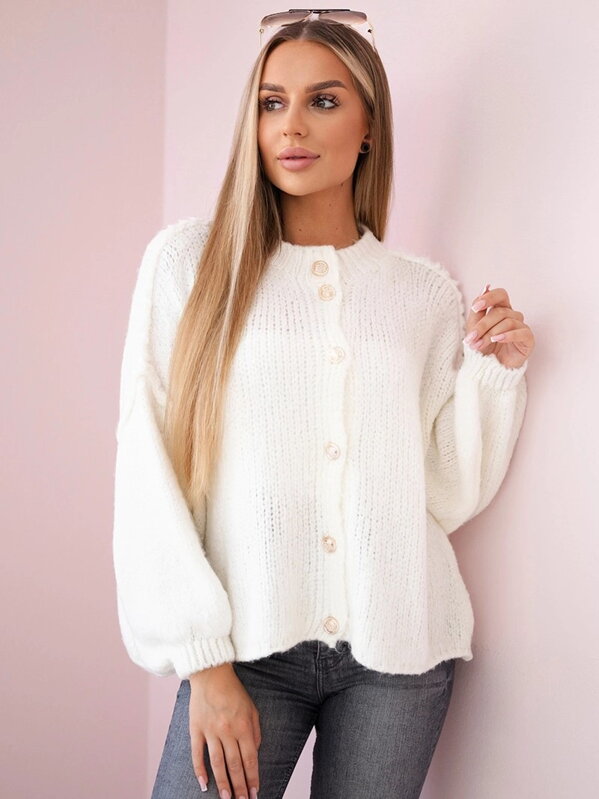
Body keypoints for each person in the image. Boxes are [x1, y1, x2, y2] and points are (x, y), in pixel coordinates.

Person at [112, 13, 535, 799]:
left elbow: (441, 491)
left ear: (369, 126)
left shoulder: (421, 292)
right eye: (271, 103)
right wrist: (204, 663)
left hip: (399, 648)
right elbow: (148, 464)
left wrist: (492, 375)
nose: (291, 126)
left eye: (324, 101)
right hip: (244, 650)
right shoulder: (190, 263)